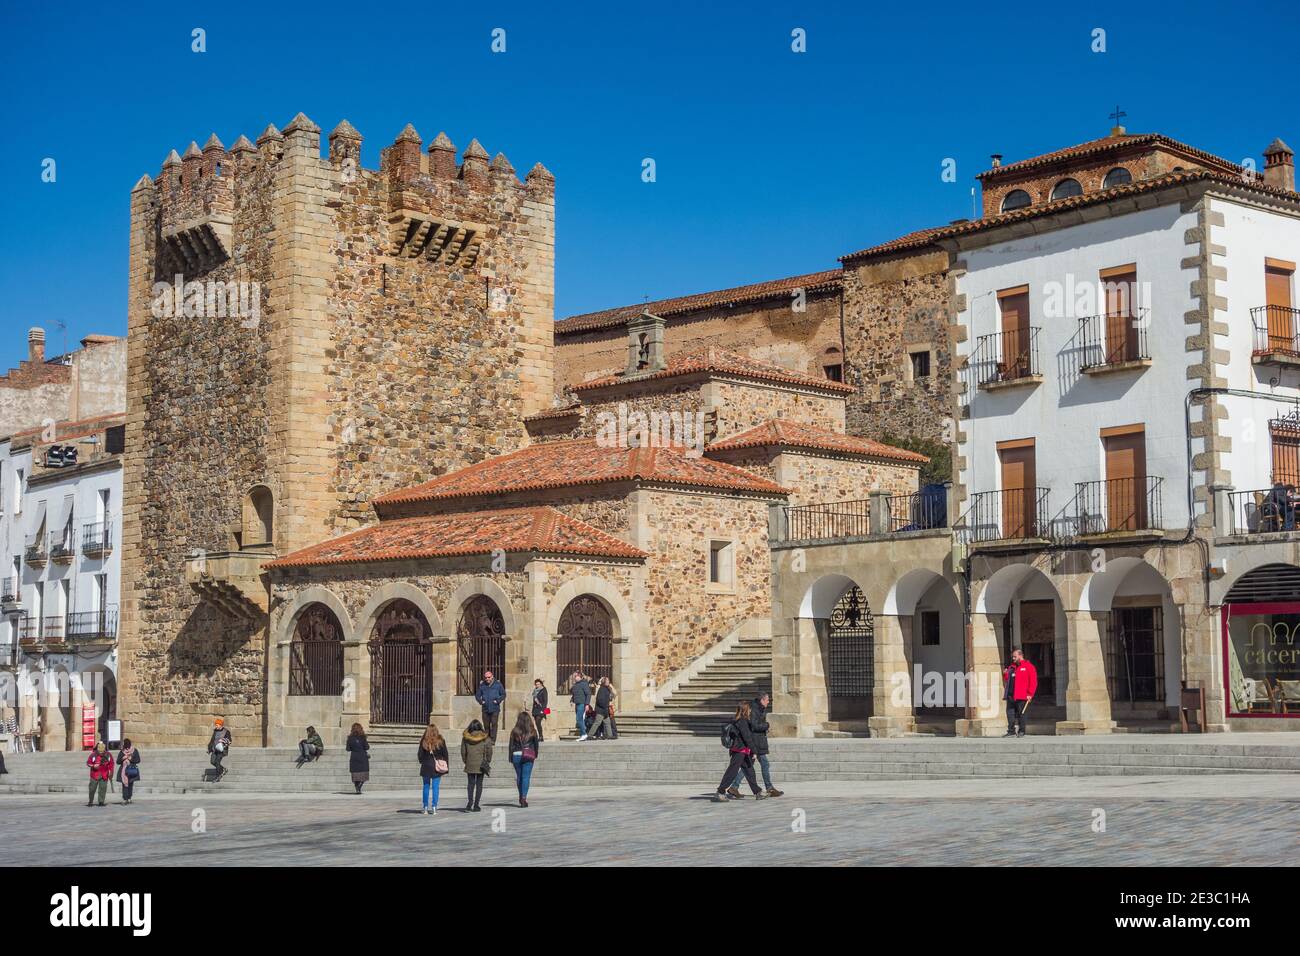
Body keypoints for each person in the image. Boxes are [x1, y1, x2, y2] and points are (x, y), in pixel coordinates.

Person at [728, 692, 782, 798]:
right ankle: (769, 788)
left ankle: (734, 787)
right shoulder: (755, 709)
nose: (768, 702)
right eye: (767, 700)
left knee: (748, 766)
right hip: (756, 742)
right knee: (762, 764)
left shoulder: (758, 708)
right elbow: (754, 725)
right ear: (762, 700)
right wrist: (766, 725)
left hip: (757, 741)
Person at [714, 702, 766, 802]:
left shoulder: (738, 720)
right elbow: (747, 738)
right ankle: (720, 791)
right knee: (732, 772)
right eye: (749, 709)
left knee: (749, 770)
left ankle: (757, 792)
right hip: (739, 751)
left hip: (742, 751)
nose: (750, 711)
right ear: (746, 710)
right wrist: (754, 751)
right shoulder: (742, 722)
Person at [1002, 647, 1039, 738]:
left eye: (1015, 657)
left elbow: (1033, 682)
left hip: (1022, 695)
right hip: (1011, 695)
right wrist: (1005, 674)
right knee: (1010, 713)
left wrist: (1030, 694)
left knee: (1021, 713)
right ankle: (1011, 731)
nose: (1013, 658)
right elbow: (1008, 679)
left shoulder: (1029, 667)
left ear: (1020, 655)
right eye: (1013, 657)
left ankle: (1022, 731)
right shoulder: (1012, 667)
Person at [507, 711, 539, 807]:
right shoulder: (533, 731)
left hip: (516, 754)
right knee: (526, 777)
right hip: (528, 755)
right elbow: (536, 745)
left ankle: (521, 795)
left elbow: (511, 746)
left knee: (519, 776)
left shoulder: (514, 731)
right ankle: (523, 798)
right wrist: (535, 754)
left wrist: (510, 757)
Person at [417, 723, 449, 815]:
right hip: (437, 767)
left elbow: (420, 754)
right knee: (435, 787)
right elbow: (445, 754)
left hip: (426, 766)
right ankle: (434, 806)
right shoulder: (440, 740)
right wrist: (445, 766)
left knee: (426, 786)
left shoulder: (424, 741)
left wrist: (422, 761)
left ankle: (425, 807)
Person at [460, 719, 492, 812]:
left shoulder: (466, 738)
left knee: (470, 784)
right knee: (479, 784)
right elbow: (489, 750)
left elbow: (463, 751)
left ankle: (470, 803)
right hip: (481, 764)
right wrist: (488, 761)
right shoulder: (485, 737)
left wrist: (466, 761)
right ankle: (476, 805)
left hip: (470, 763)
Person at [474, 670, 507, 742]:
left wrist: (497, 701)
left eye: (489, 677)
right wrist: (481, 701)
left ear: (492, 677)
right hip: (485, 708)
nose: (487, 679)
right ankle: (487, 740)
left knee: (494, 724)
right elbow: (477, 695)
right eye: (486, 678)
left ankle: (493, 740)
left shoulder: (498, 684)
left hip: (495, 708)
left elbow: (503, 694)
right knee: (486, 726)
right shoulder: (482, 685)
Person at [86, 742, 114, 807]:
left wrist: (111, 771)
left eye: (102, 751)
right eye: (100, 752)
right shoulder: (93, 755)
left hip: (104, 774)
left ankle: (101, 801)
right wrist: (93, 765)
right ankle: (90, 801)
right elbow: (88, 763)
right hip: (94, 774)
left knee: (103, 788)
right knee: (92, 789)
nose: (101, 753)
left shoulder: (108, 755)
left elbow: (111, 763)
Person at [587, 677, 615, 741]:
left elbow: (609, 697)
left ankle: (610, 735)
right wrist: (605, 706)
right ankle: (590, 735)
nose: (608, 682)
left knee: (607, 722)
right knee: (597, 722)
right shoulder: (602, 689)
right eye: (607, 681)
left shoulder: (607, 689)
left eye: (608, 680)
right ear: (604, 682)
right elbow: (599, 700)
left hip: (605, 710)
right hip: (601, 710)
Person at [116, 738, 141, 805]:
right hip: (123, 772)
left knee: (130, 784)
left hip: (131, 770)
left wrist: (131, 759)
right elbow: (117, 762)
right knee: (124, 785)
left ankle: (129, 798)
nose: (126, 746)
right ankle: (125, 798)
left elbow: (138, 760)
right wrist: (122, 758)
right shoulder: (122, 752)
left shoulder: (134, 750)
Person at [346, 723, 370, 795]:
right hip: (362, 757)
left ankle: (357, 787)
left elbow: (348, 749)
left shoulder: (350, 738)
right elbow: (367, 747)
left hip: (354, 757)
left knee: (355, 774)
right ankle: (359, 786)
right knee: (364, 773)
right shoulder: (363, 737)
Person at [570, 671, 592, 740]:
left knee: (578, 719)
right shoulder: (575, 685)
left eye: (576, 676)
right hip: (577, 703)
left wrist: (587, 704)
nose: (575, 677)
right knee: (580, 719)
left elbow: (588, 694)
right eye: (574, 676)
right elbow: (574, 694)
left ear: (580, 677)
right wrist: (571, 700)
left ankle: (584, 734)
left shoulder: (584, 684)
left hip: (582, 704)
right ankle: (583, 733)